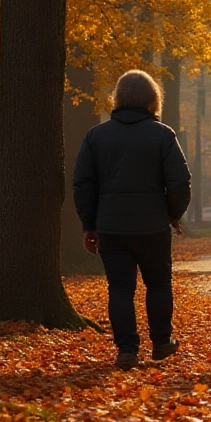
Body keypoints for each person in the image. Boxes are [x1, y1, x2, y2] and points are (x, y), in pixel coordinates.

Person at [73, 70, 189, 371]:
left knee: (120, 289)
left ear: (118, 98)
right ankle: (161, 342)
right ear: (153, 99)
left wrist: (89, 223)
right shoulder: (163, 135)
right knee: (159, 283)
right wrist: (173, 214)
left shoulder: (95, 136)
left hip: (111, 227)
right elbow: (179, 182)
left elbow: (83, 184)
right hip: (152, 226)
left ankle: (127, 350)